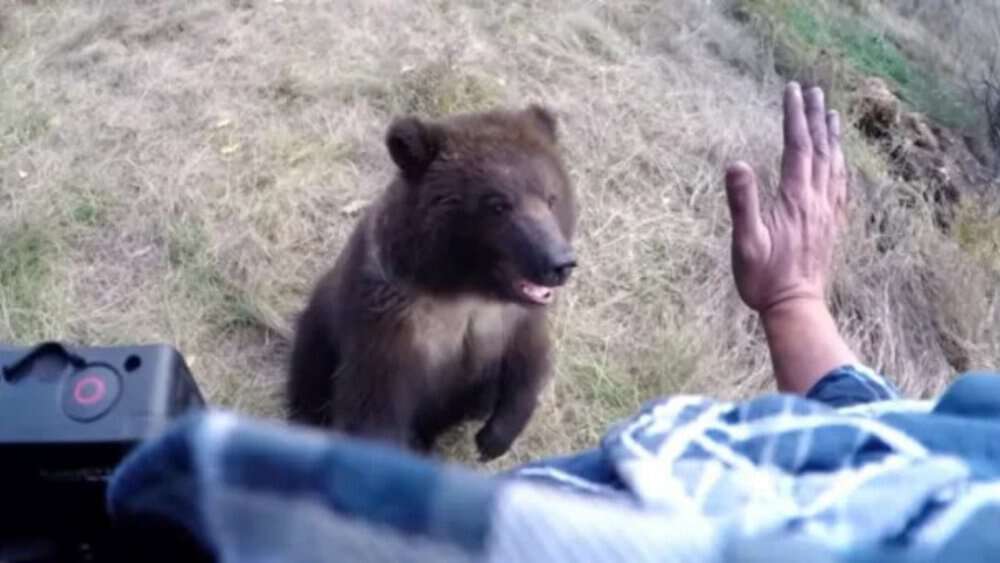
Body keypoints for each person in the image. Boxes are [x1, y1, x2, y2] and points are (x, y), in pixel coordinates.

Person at [106, 84, 1000, 563]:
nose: (551, 242)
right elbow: (369, 422)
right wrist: (799, 302)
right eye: (504, 211)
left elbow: (526, 363)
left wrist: (508, 413)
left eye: (546, 202)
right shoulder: (391, 287)